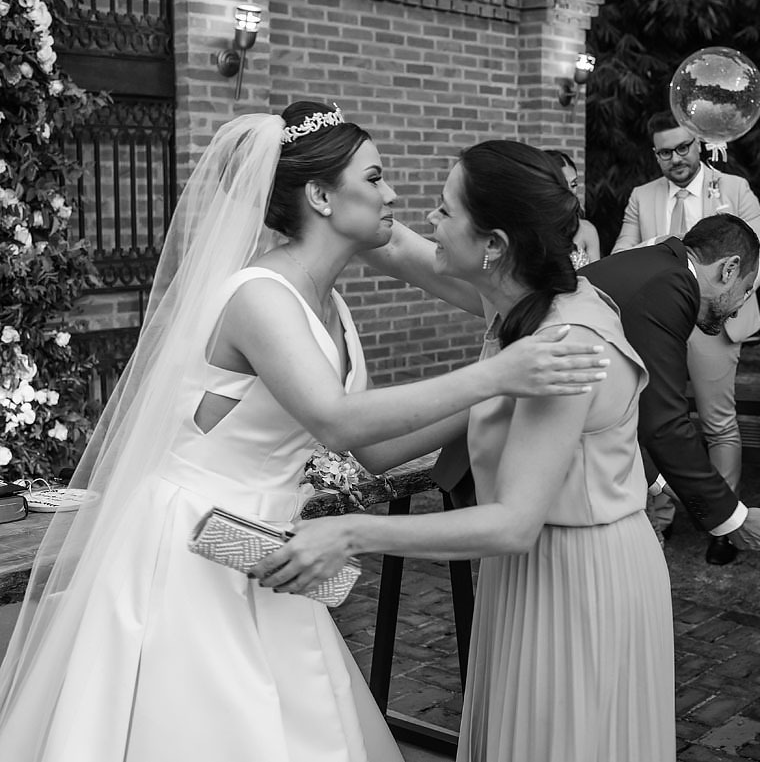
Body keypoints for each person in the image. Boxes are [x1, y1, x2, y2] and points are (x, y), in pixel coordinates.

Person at [0, 107, 609, 762]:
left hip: (271, 546)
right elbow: (336, 419)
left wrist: (505, 384)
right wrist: (495, 375)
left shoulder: (332, 304)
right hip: (189, 548)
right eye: (374, 177)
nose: (392, 196)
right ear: (321, 196)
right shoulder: (259, 295)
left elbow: (371, 448)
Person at [268, 139, 676, 762]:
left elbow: (513, 522)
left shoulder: (564, 344)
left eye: (443, 209)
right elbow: (379, 446)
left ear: (494, 245)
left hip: (579, 571)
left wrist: (350, 534)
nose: (426, 218)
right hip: (526, 571)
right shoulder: (515, 312)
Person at [613, 111, 760, 564]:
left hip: (714, 320)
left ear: (698, 144)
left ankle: (721, 525)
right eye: (665, 152)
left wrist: (731, 298)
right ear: (656, 155)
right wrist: (667, 253)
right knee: (654, 413)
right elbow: (623, 250)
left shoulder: (734, 188)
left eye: (683, 147)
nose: (675, 158)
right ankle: (655, 520)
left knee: (718, 422)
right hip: (660, 313)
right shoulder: (642, 196)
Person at [580, 215, 760, 554]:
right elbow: (663, 421)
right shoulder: (671, 285)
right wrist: (733, 519)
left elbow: (631, 408)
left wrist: (659, 481)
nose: (738, 310)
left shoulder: (656, 266)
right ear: (729, 269)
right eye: (746, 290)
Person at [545, 149, 601, 269]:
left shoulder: (587, 230)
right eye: (563, 185)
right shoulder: (527, 230)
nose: (571, 191)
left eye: (574, 184)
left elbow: (598, 280)